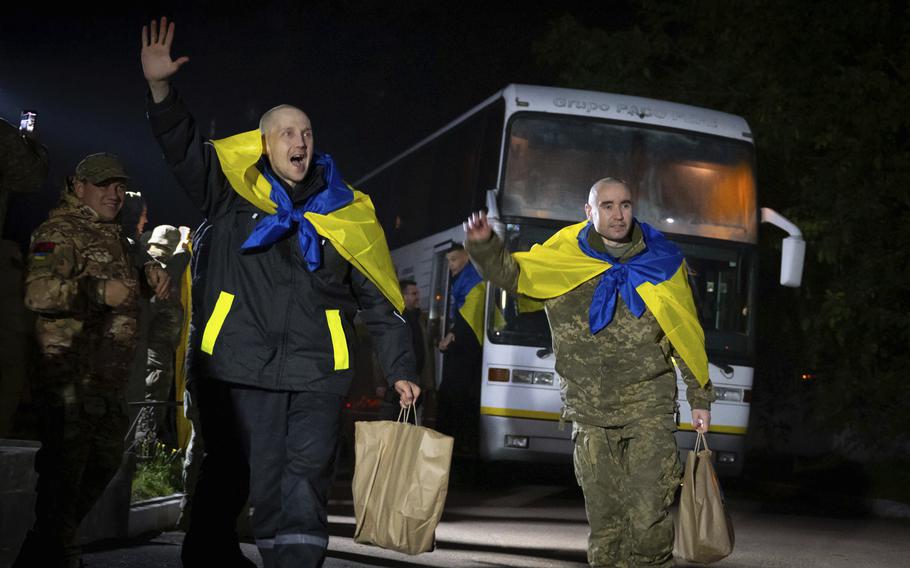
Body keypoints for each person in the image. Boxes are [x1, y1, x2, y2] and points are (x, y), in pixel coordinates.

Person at [140, 18, 420, 568]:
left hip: (318, 370)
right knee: (257, 481)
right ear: (264, 144)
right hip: (240, 366)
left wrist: (402, 366)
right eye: (288, 133)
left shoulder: (347, 212)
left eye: (307, 132)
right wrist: (160, 91)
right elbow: (184, 149)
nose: (300, 141)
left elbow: (381, 299)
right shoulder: (228, 193)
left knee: (308, 477)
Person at [464, 178, 715, 568]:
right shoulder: (563, 257)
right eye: (609, 205)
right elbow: (511, 273)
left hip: (648, 407)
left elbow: (683, 330)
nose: (618, 214)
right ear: (589, 211)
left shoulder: (663, 260)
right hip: (589, 412)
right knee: (606, 526)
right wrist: (484, 245)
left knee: (650, 518)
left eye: (626, 205)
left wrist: (700, 397)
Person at [14, 153, 169, 568]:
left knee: (102, 466)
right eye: (103, 185)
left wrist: (147, 277)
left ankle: (43, 549)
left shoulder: (116, 236)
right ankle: (59, 554)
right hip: (71, 380)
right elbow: (39, 293)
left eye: (119, 186)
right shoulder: (59, 231)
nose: (114, 194)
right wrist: (99, 293)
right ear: (78, 186)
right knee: (63, 479)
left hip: (109, 379)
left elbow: (124, 284)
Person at [135, 224, 189, 451]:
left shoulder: (145, 265)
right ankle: (143, 453)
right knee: (151, 403)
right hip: (155, 353)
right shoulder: (160, 271)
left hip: (148, 351)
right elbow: (176, 267)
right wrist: (185, 245)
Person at [436, 244, 484, 454]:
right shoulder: (460, 280)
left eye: (454, 260)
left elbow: (470, 315)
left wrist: (452, 334)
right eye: (448, 261)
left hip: (468, 348)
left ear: (466, 257)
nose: (450, 265)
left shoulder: (473, 280)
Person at [374, 279, 436, 422]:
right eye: (414, 294)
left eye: (417, 293)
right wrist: (380, 382)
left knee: (410, 429)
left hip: (416, 383)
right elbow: (379, 351)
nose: (418, 297)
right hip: (393, 383)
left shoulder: (419, 319)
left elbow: (425, 352)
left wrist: (427, 382)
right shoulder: (395, 319)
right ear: (403, 296)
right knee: (390, 425)